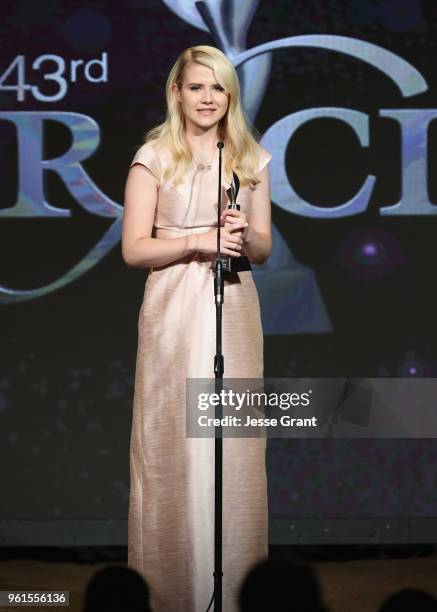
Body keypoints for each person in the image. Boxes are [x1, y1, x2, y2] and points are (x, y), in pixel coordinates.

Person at [122, 44, 272, 612]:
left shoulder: (250, 159)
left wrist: (240, 231)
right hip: (175, 310)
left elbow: (262, 246)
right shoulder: (155, 156)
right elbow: (134, 249)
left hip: (234, 308)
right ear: (177, 93)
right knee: (177, 443)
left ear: (230, 95)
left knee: (232, 446)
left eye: (217, 88)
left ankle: (233, 592)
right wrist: (196, 240)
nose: (207, 98)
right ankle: (176, 591)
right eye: (196, 87)